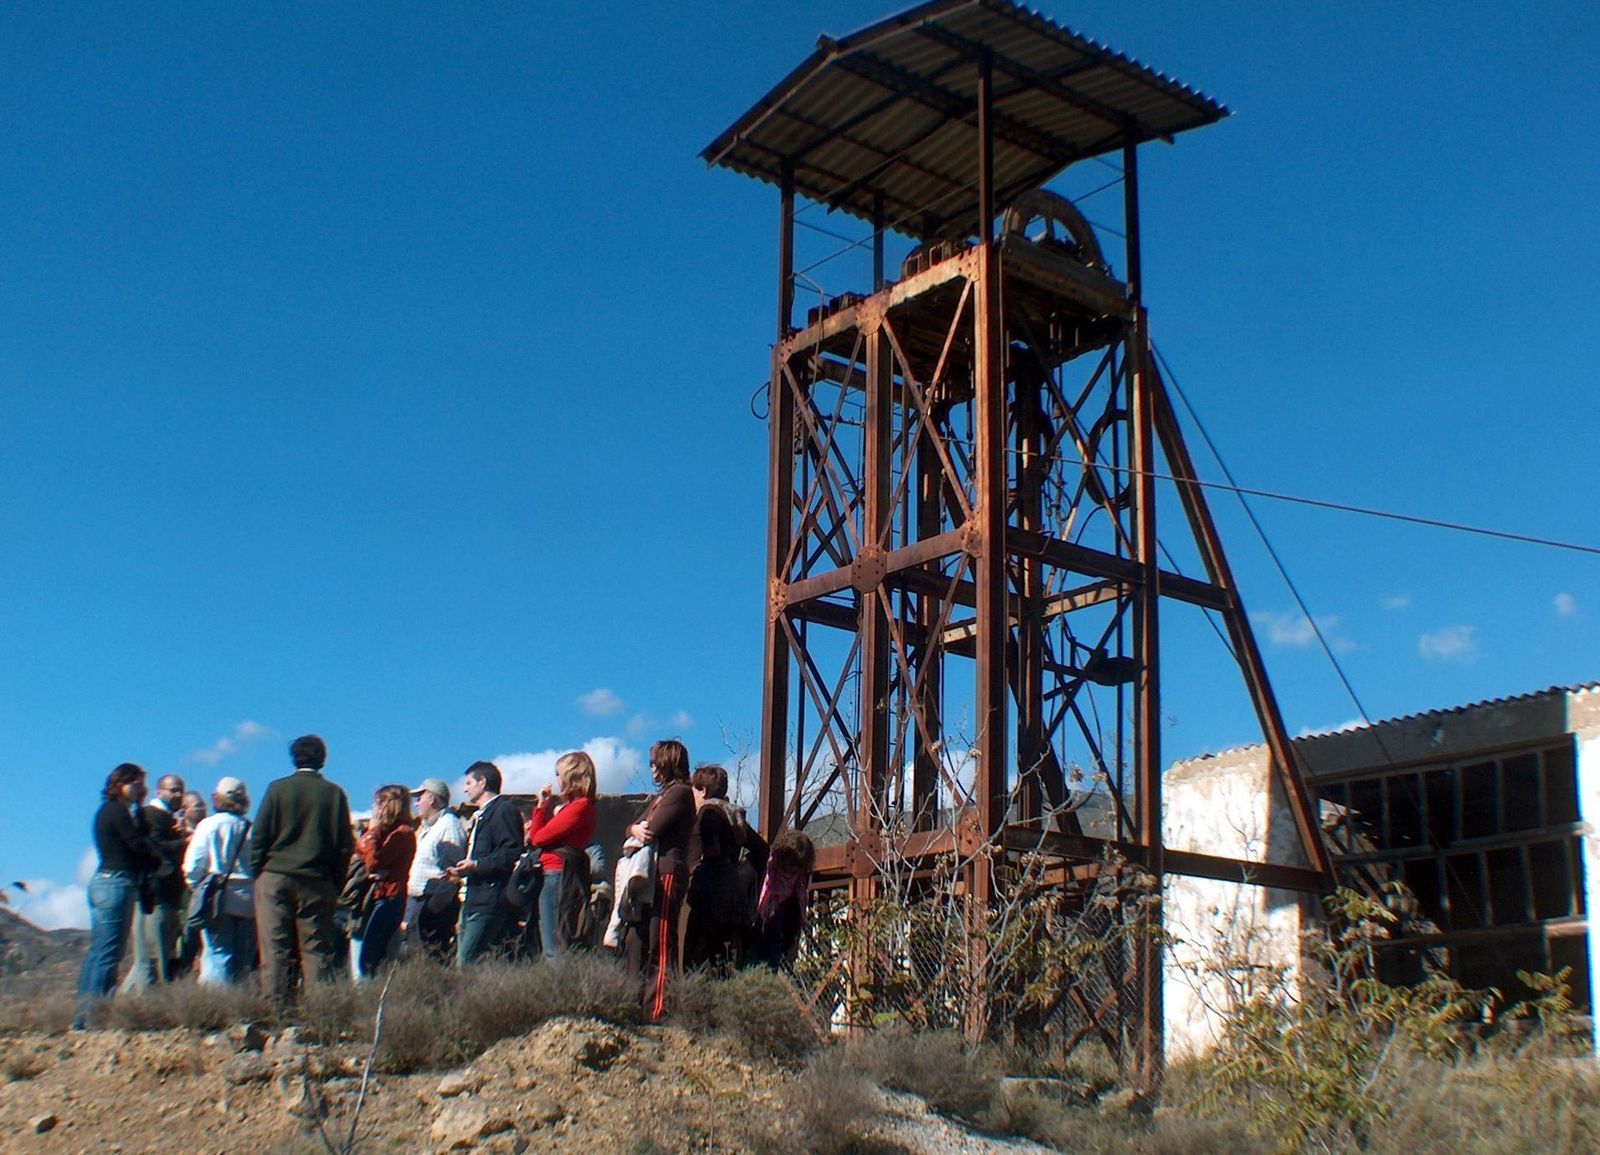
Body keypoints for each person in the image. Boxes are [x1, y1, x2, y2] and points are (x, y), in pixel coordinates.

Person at [250, 734, 354, 1005]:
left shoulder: (277, 789)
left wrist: (259, 872)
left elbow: (259, 836)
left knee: (275, 947)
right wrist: (334, 881)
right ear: (323, 759)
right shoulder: (334, 794)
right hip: (318, 881)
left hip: (276, 876)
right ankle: (318, 1012)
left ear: (294, 758)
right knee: (316, 949)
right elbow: (345, 844)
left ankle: (276, 1010)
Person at [74, 764, 162, 1029]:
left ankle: (85, 1016)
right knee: (108, 953)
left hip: (106, 882)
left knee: (100, 951)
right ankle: (94, 1018)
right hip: (116, 882)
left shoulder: (111, 811)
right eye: (135, 783)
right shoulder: (116, 812)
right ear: (121, 783)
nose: (139, 789)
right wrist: (155, 852)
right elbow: (137, 844)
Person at [625, 739, 696, 1019]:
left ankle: (659, 1010)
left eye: (656, 762)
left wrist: (637, 830)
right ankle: (637, 1004)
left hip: (666, 873)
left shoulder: (679, 793)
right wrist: (633, 829)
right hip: (651, 874)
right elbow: (632, 828)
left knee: (660, 941)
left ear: (669, 763)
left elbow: (652, 829)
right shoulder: (662, 796)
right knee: (637, 940)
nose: (652, 768)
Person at [446, 760, 523, 964]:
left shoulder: (503, 810)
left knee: (466, 960)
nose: (464, 788)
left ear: (482, 782)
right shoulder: (480, 817)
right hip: (473, 896)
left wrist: (476, 865)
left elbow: (511, 852)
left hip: (489, 898)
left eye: (469, 783)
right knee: (470, 959)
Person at [181, 777, 256, 985]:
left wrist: (198, 887)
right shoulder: (252, 829)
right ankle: (241, 1009)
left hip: (217, 899)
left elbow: (193, 865)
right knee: (242, 960)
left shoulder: (209, 825)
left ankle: (218, 1009)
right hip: (248, 900)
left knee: (217, 956)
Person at [525, 751, 598, 961]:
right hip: (554, 873)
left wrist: (540, 808)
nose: (557, 780)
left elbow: (537, 838)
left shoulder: (580, 807)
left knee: (555, 944)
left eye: (559, 774)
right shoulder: (573, 807)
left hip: (557, 875)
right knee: (550, 941)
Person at [121, 773, 190, 990]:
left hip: (168, 897)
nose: (178, 794)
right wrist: (185, 842)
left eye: (181, 790)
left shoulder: (170, 819)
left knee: (158, 958)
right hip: (156, 896)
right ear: (159, 792)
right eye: (173, 789)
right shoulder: (151, 815)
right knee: (152, 960)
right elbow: (156, 846)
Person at [352, 785, 416, 977]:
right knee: (377, 954)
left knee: (371, 958)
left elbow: (373, 862)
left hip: (390, 898)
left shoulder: (402, 834)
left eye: (378, 803)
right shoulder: (389, 833)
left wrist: (371, 835)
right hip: (381, 897)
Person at [402, 777, 465, 962]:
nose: (416, 803)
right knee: (417, 957)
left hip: (432, 903)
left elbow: (452, 874)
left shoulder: (449, 826)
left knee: (430, 957)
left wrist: (432, 908)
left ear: (432, 799)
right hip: (421, 901)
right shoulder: (432, 828)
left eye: (420, 797)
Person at [684, 805, 750, 973]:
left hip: (705, 944)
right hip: (727, 946)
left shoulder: (702, 873)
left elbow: (692, 903)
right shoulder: (733, 875)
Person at [754, 829, 815, 970]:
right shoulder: (765, 871)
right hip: (757, 931)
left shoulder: (799, 883)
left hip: (779, 937)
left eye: (796, 866)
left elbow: (798, 914)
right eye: (789, 862)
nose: (791, 869)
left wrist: (793, 944)